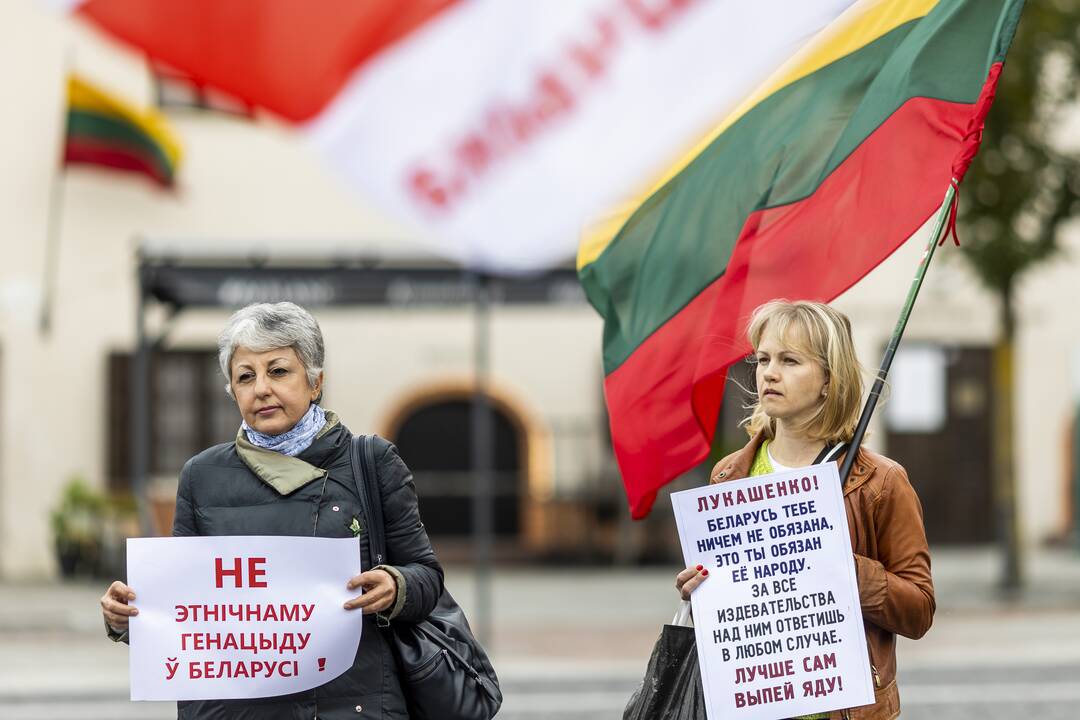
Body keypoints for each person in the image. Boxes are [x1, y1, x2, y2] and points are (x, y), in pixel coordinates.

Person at [100, 301, 444, 719]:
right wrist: (128, 617)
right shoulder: (201, 475)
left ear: (315, 382)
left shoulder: (370, 463)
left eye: (278, 371)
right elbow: (187, 612)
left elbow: (426, 578)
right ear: (233, 392)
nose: (261, 388)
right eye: (245, 377)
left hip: (350, 705)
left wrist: (396, 585)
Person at [675, 300, 934, 720]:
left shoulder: (880, 482)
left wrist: (847, 570)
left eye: (790, 360)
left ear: (829, 379)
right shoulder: (730, 475)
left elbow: (919, 610)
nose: (769, 373)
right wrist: (700, 588)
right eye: (763, 359)